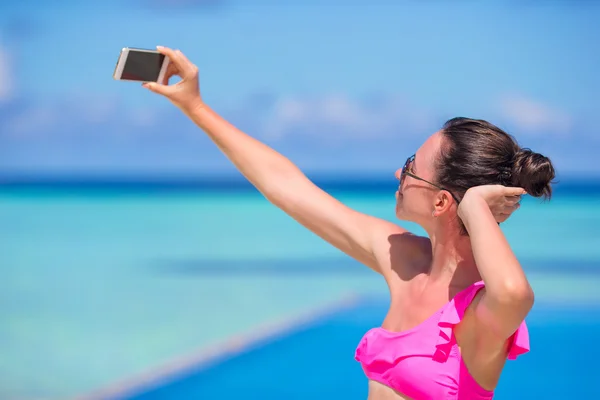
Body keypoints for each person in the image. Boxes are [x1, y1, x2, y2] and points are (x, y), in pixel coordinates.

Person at [143, 46, 556, 400]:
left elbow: (515, 292)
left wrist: (478, 204)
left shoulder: (480, 309)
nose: (399, 174)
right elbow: (288, 187)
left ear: (442, 202)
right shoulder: (407, 260)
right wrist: (195, 107)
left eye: (412, 166)